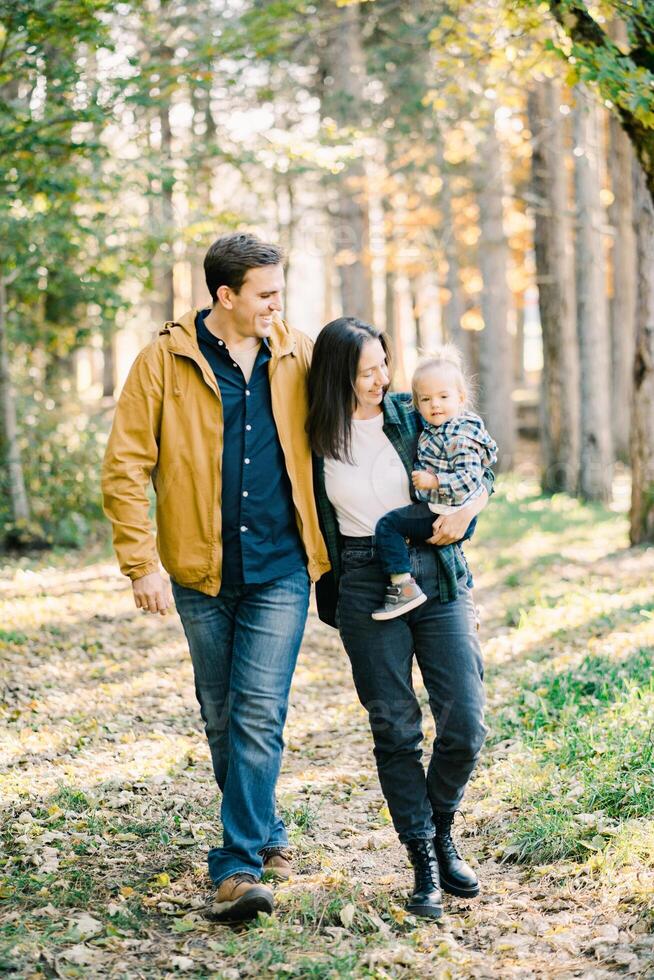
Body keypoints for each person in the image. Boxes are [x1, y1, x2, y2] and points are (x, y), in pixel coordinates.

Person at [101, 232, 330, 923]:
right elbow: (125, 465)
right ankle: (267, 832)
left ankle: (235, 865)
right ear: (225, 296)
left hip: (280, 568)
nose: (277, 305)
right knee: (224, 716)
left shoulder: (298, 353)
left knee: (258, 711)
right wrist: (142, 564)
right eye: (265, 294)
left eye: (279, 292)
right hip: (199, 574)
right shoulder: (162, 362)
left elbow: (355, 423)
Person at [308, 317, 493, 919]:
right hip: (363, 580)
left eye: (384, 365)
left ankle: (442, 830)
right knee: (394, 727)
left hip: (436, 571)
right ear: (339, 375)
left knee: (464, 722)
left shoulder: (413, 413)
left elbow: (480, 463)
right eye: (366, 372)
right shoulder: (311, 436)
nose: (381, 380)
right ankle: (422, 861)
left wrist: (469, 509)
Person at [371, 347, 498, 620]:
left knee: (389, 525)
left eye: (443, 397)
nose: (435, 405)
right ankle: (468, 604)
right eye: (426, 399)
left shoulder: (458, 434)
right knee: (453, 551)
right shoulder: (437, 427)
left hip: (448, 508)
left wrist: (435, 481)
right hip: (444, 507)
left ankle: (402, 586)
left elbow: (470, 478)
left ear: (461, 398)